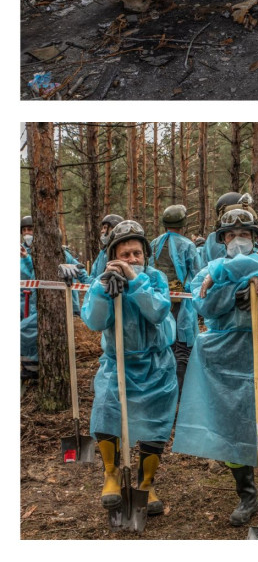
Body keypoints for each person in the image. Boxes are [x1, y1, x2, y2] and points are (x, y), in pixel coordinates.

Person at [172, 206, 258, 527]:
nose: (238, 241)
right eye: (232, 236)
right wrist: (230, 291)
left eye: (245, 235)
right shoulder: (207, 270)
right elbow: (203, 302)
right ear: (222, 239)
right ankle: (247, 493)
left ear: (256, 238)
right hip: (224, 359)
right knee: (231, 426)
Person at [81, 220, 177, 515]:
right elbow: (94, 322)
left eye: (137, 253)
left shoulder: (155, 278)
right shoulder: (103, 281)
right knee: (106, 411)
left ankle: (145, 484)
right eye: (125, 255)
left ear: (145, 254)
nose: (132, 259)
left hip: (156, 366)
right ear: (113, 257)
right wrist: (102, 292)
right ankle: (111, 475)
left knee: (154, 427)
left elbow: (158, 311)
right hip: (117, 363)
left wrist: (134, 280)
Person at [20, 215, 81, 383]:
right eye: (24, 230)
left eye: (30, 230)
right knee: (28, 331)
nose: (27, 234)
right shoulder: (35, 254)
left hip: (60, 306)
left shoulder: (62, 254)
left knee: (24, 330)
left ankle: (34, 368)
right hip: (36, 304)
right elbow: (32, 277)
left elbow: (82, 273)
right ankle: (31, 367)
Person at [149, 205, 202, 394]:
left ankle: (162, 389)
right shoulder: (188, 245)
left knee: (164, 342)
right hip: (182, 303)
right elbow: (197, 274)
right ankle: (179, 392)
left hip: (159, 300)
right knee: (182, 345)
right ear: (184, 222)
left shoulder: (154, 244)